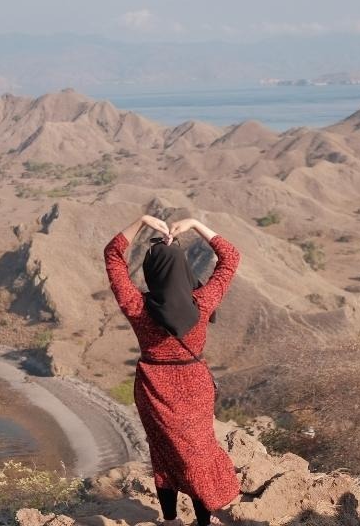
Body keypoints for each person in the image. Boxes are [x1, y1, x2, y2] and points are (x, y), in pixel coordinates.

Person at [103, 214, 241, 526]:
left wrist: (139, 222)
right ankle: (203, 520)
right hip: (195, 384)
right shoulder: (202, 303)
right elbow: (230, 257)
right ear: (183, 270)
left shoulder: (138, 307)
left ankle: (170, 520)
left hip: (153, 387)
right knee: (198, 451)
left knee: (163, 452)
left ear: (152, 274)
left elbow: (112, 254)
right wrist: (194, 224)